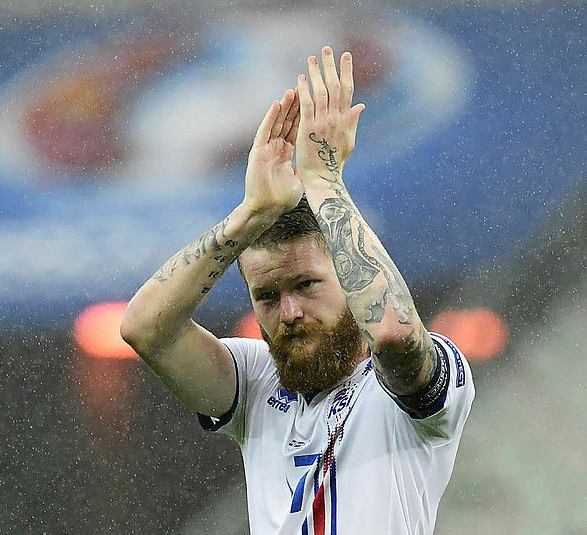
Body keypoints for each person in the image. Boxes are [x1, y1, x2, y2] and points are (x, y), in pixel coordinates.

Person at [121, 46, 474, 534]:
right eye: (267, 296)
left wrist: (323, 179)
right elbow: (145, 330)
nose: (288, 311)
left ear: (347, 276)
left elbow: (392, 334)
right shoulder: (256, 382)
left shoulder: (419, 383)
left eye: (306, 284)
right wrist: (250, 215)